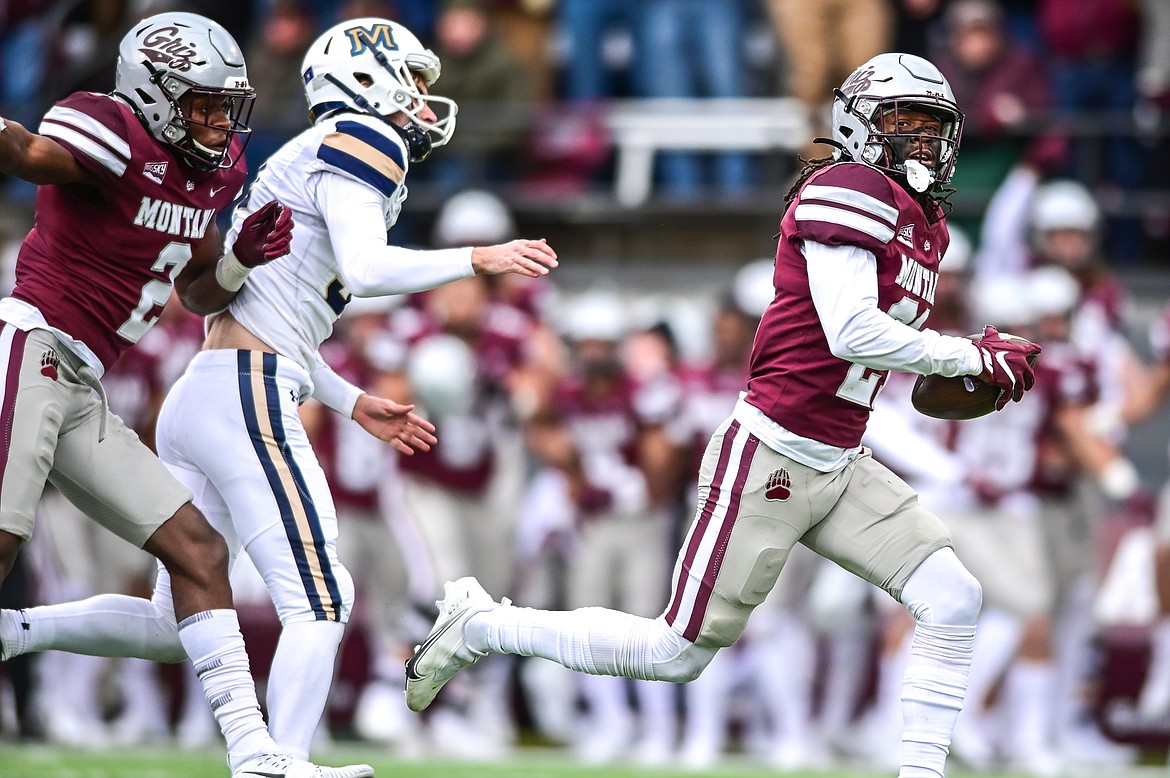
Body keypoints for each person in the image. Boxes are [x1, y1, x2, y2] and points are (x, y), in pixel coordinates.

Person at [406, 52, 1045, 778]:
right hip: (771, 454)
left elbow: (871, 357)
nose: (921, 141)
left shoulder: (924, 221)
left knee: (954, 597)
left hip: (839, 460)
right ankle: (485, 624)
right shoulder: (849, 188)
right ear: (859, 125)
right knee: (674, 652)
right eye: (904, 121)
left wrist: (957, 364)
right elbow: (851, 330)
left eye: (933, 126)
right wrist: (964, 356)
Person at [2, 13, 558, 764]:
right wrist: (478, 258)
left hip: (211, 386)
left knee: (186, 611)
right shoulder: (365, 138)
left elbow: (258, 308)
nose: (423, 98)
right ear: (367, 82)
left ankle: (16, 632)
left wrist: (345, 397)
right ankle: (280, 760)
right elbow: (364, 271)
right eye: (413, 81)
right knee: (324, 597)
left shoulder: (270, 161)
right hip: (216, 383)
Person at [0, 11, 375, 778]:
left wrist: (236, 260)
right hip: (32, 346)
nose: (216, 119)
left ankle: (254, 755)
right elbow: (32, 153)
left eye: (222, 104)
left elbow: (200, 295)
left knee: (200, 553)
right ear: (153, 92)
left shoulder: (217, 173)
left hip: (83, 385)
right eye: (200, 102)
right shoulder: (112, 132)